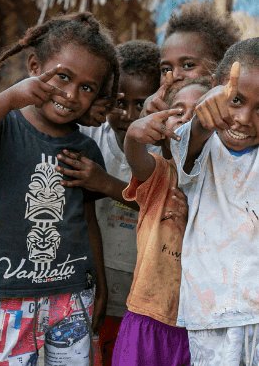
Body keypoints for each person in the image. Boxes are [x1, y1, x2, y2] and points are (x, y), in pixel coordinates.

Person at [0, 12, 119, 366]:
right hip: (9, 299)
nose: (70, 94)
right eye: (63, 77)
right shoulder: (6, 128)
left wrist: (101, 284)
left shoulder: (86, 150)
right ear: (35, 65)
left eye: (87, 87)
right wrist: (9, 96)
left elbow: (87, 221)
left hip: (72, 297)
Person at [56, 40, 161, 365]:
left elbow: (169, 210)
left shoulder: (166, 149)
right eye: (119, 102)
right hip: (100, 282)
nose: (129, 115)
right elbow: (85, 215)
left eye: (141, 104)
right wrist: (99, 286)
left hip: (149, 287)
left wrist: (105, 183)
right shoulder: (92, 140)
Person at [170, 38, 259, 365]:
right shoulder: (199, 145)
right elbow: (188, 143)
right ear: (214, 92)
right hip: (212, 315)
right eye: (236, 100)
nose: (245, 118)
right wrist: (202, 119)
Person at [112, 77, 212, 366]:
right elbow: (136, 157)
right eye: (178, 111)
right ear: (162, 124)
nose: (189, 120)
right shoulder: (160, 175)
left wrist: (191, 218)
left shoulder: (221, 185)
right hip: (146, 316)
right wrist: (133, 135)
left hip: (195, 324)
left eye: (201, 112)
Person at [144, 1, 240, 116]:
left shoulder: (237, 122)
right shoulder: (155, 121)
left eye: (188, 65)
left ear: (220, 66)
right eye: (166, 69)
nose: (174, 76)